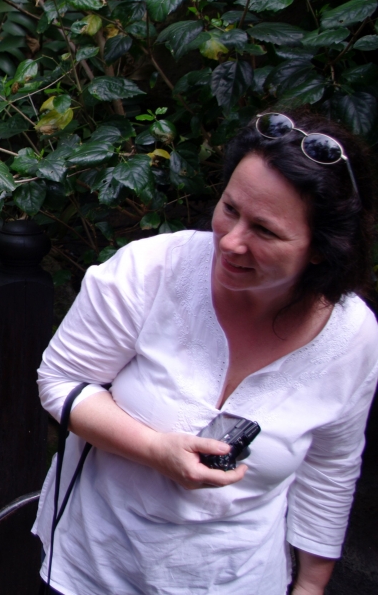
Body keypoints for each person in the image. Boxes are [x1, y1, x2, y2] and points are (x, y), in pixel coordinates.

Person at [33, 111, 378, 595]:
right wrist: (155, 450)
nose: (231, 241)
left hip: (239, 578)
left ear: (321, 248)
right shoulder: (152, 269)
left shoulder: (352, 336)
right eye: (230, 209)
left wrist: (310, 586)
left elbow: (330, 469)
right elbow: (60, 382)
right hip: (95, 566)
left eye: (265, 231)